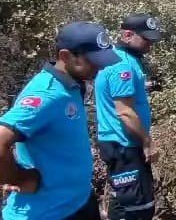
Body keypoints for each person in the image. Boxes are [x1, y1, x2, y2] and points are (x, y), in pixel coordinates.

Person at [0, 21, 121, 220]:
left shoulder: (74, 84)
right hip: (46, 212)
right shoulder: (47, 95)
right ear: (65, 56)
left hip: (78, 203)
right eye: (92, 60)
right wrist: (18, 178)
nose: (99, 67)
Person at [94, 13, 163, 220]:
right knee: (135, 208)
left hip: (120, 143)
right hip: (124, 145)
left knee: (127, 200)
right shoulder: (122, 65)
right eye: (146, 39)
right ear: (127, 35)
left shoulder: (123, 60)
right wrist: (147, 141)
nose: (150, 44)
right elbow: (124, 111)